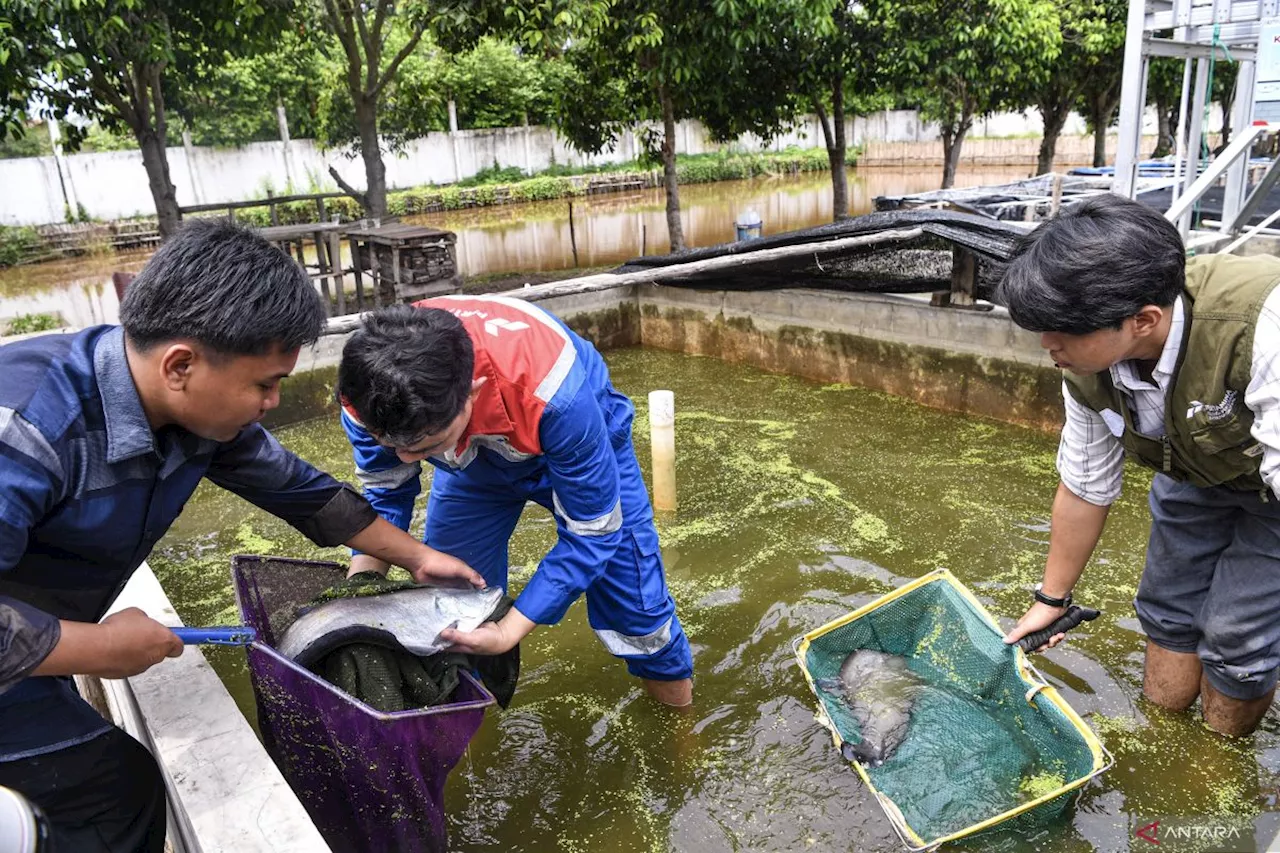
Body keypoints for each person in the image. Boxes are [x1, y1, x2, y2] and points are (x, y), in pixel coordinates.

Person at [0, 220, 483, 852]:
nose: (275, 402)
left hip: (32, 640)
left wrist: (419, 558)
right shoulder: (26, 428)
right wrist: (97, 648)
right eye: (265, 383)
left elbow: (305, 494)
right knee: (113, 792)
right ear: (181, 364)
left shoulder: (196, 415)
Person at [998, 193, 1280, 737]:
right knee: (1166, 609)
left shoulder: (1260, 328)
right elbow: (1085, 485)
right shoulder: (1084, 362)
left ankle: (1215, 762)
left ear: (1143, 320)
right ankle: (1164, 734)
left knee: (1236, 634)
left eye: (1061, 331)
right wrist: (1051, 601)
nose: (1045, 345)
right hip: (1197, 472)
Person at [336, 296, 695, 707]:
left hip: (576, 446)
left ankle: (680, 728)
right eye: (392, 445)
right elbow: (386, 494)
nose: (404, 460)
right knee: (452, 607)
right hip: (471, 466)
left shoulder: (556, 394)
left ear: (472, 391)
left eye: (423, 448)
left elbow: (593, 534)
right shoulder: (366, 394)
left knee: (635, 609)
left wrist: (509, 630)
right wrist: (358, 592)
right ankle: (468, 722)